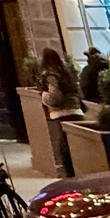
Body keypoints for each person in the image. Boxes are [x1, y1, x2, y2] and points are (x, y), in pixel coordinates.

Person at [38, 48, 84, 177]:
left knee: (64, 151)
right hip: (76, 110)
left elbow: (55, 97)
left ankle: (70, 177)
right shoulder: (66, 72)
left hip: (61, 113)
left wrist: (43, 96)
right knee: (75, 147)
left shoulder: (50, 75)